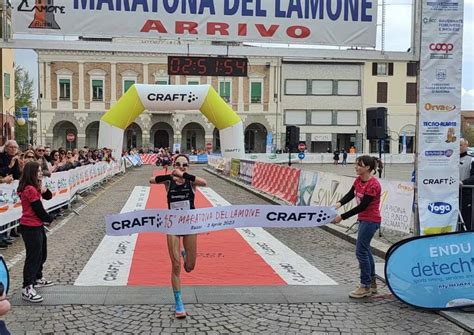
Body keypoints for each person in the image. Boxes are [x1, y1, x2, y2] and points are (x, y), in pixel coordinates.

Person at [149, 154, 207, 318]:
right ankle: (179, 303)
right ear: (174, 164)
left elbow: (204, 182)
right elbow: (151, 180)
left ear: (188, 167)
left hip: (189, 226)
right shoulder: (169, 182)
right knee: (176, 266)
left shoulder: (191, 181)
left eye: (185, 164)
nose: (182, 166)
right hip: (172, 226)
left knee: (189, 267)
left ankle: (185, 254)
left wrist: (184, 175)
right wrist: (171, 175)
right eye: (179, 164)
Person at [332, 155, 383, 298]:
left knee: (360, 252)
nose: (356, 167)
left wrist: (342, 217)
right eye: (356, 164)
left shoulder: (373, 185)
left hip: (371, 220)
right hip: (363, 219)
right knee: (366, 251)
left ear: (367, 168)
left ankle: (365, 286)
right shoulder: (358, 180)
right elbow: (350, 195)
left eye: (359, 165)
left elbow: (363, 206)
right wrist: (338, 204)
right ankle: (371, 284)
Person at [17, 161, 55, 303]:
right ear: (31, 172)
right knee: (33, 256)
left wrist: (43, 189)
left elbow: (48, 196)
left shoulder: (35, 187)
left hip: (36, 225)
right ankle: (27, 287)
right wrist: (49, 219)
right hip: (30, 226)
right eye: (38, 171)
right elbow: (38, 209)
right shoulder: (29, 189)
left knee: (41, 253)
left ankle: (38, 277)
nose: (40, 173)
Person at [460, 138, 473, 230]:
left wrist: (463, 182)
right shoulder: (450, 160)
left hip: (466, 194)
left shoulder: (471, 160)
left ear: (466, 146)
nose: (458, 147)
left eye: (461, 145)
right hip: (452, 195)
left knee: (466, 219)